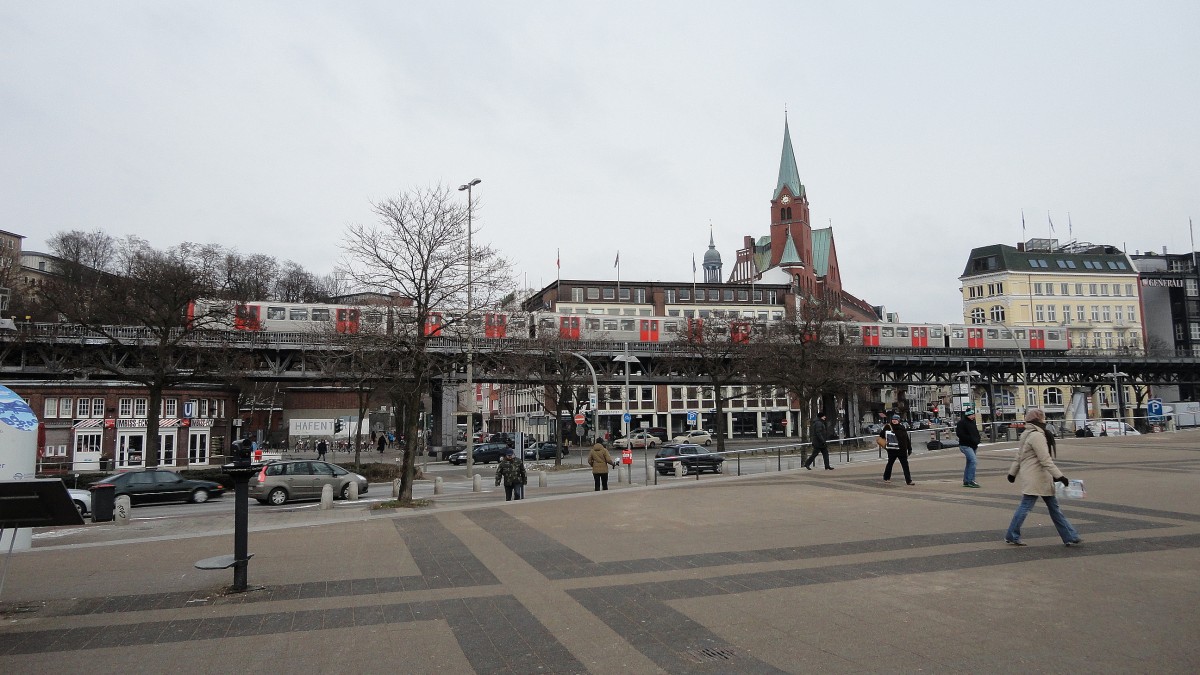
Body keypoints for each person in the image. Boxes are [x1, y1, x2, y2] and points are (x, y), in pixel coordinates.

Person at [1004, 408, 1081, 547]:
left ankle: (1070, 536)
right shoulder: (1037, 436)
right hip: (1038, 478)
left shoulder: (1026, 434)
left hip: (1034, 477)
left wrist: (1012, 473)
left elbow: (1019, 456)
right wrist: (1060, 476)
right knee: (1033, 507)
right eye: (1043, 418)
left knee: (1050, 508)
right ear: (1038, 420)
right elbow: (1045, 459)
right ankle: (1012, 534)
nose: (1045, 420)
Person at [879, 414, 913, 485]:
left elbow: (906, 439)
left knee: (905, 466)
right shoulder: (888, 427)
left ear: (899, 420)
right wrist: (886, 430)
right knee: (890, 464)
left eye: (896, 419)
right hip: (892, 449)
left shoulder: (902, 427)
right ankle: (886, 477)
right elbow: (881, 435)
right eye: (893, 419)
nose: (894, 421)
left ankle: (908, 480)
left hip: (902, 450)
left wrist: (909, 448)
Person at [956, 404, 982, 488]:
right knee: (973, 461)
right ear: (968, 415)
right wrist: (971, 439)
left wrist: (977, 440)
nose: (973, 416)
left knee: (970, 462)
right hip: (965, 445)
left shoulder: (972, 422)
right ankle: (970, 480)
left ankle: (966, 480)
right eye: (972, 415)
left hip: (973, 445)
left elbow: (976, 432)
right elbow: (960, 434)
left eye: (973, 415)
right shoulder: (962, 423)